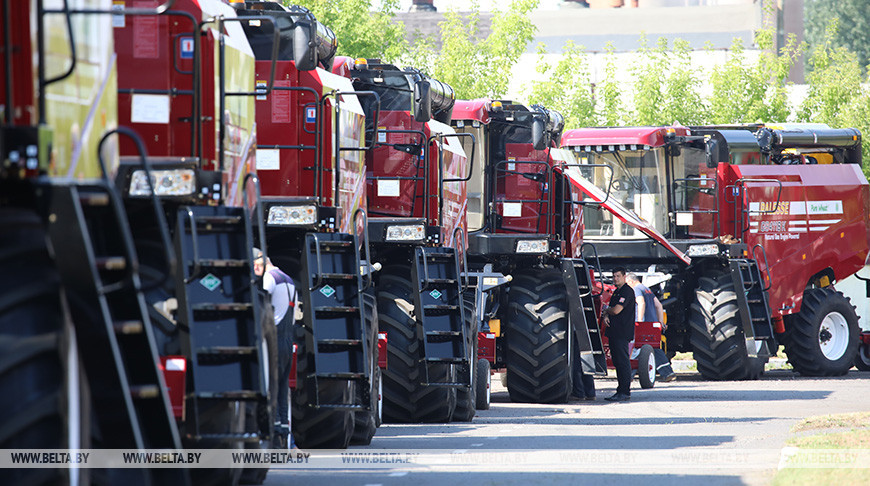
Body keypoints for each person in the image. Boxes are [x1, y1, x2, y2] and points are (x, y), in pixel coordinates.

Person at [253, 247, 299, 449]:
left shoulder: (269, 278)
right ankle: (285, 439)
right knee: (282, 391)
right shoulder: (289, 280)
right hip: (288, 340)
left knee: (271, 389)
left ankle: (271, 437)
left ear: (258, 264)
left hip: (275, 338)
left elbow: (262, 302)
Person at [625, 273, 676, 382]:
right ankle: (668, 372)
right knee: (654, 348)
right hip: (652, 324)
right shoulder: (647, 289)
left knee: (636, 348)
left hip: (643, 324)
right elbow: (659, 305)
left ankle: (628, 376)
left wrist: (639, 322)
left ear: (630, 281)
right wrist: (660, 322)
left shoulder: (636, 289)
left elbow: (641, 302)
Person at [602, 267, 635, 402]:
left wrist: (606, 311)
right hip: (614, 332)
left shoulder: (627, 292)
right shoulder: (617, 292)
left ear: (624, 276)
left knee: (623, 362)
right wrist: (605, 314)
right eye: (614, 276)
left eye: (618, 276)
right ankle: (620, 390)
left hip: (622, 332)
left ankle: (624, 391)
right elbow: (611, 311)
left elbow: (616, 310)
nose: (615, 279)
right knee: (617, 362)